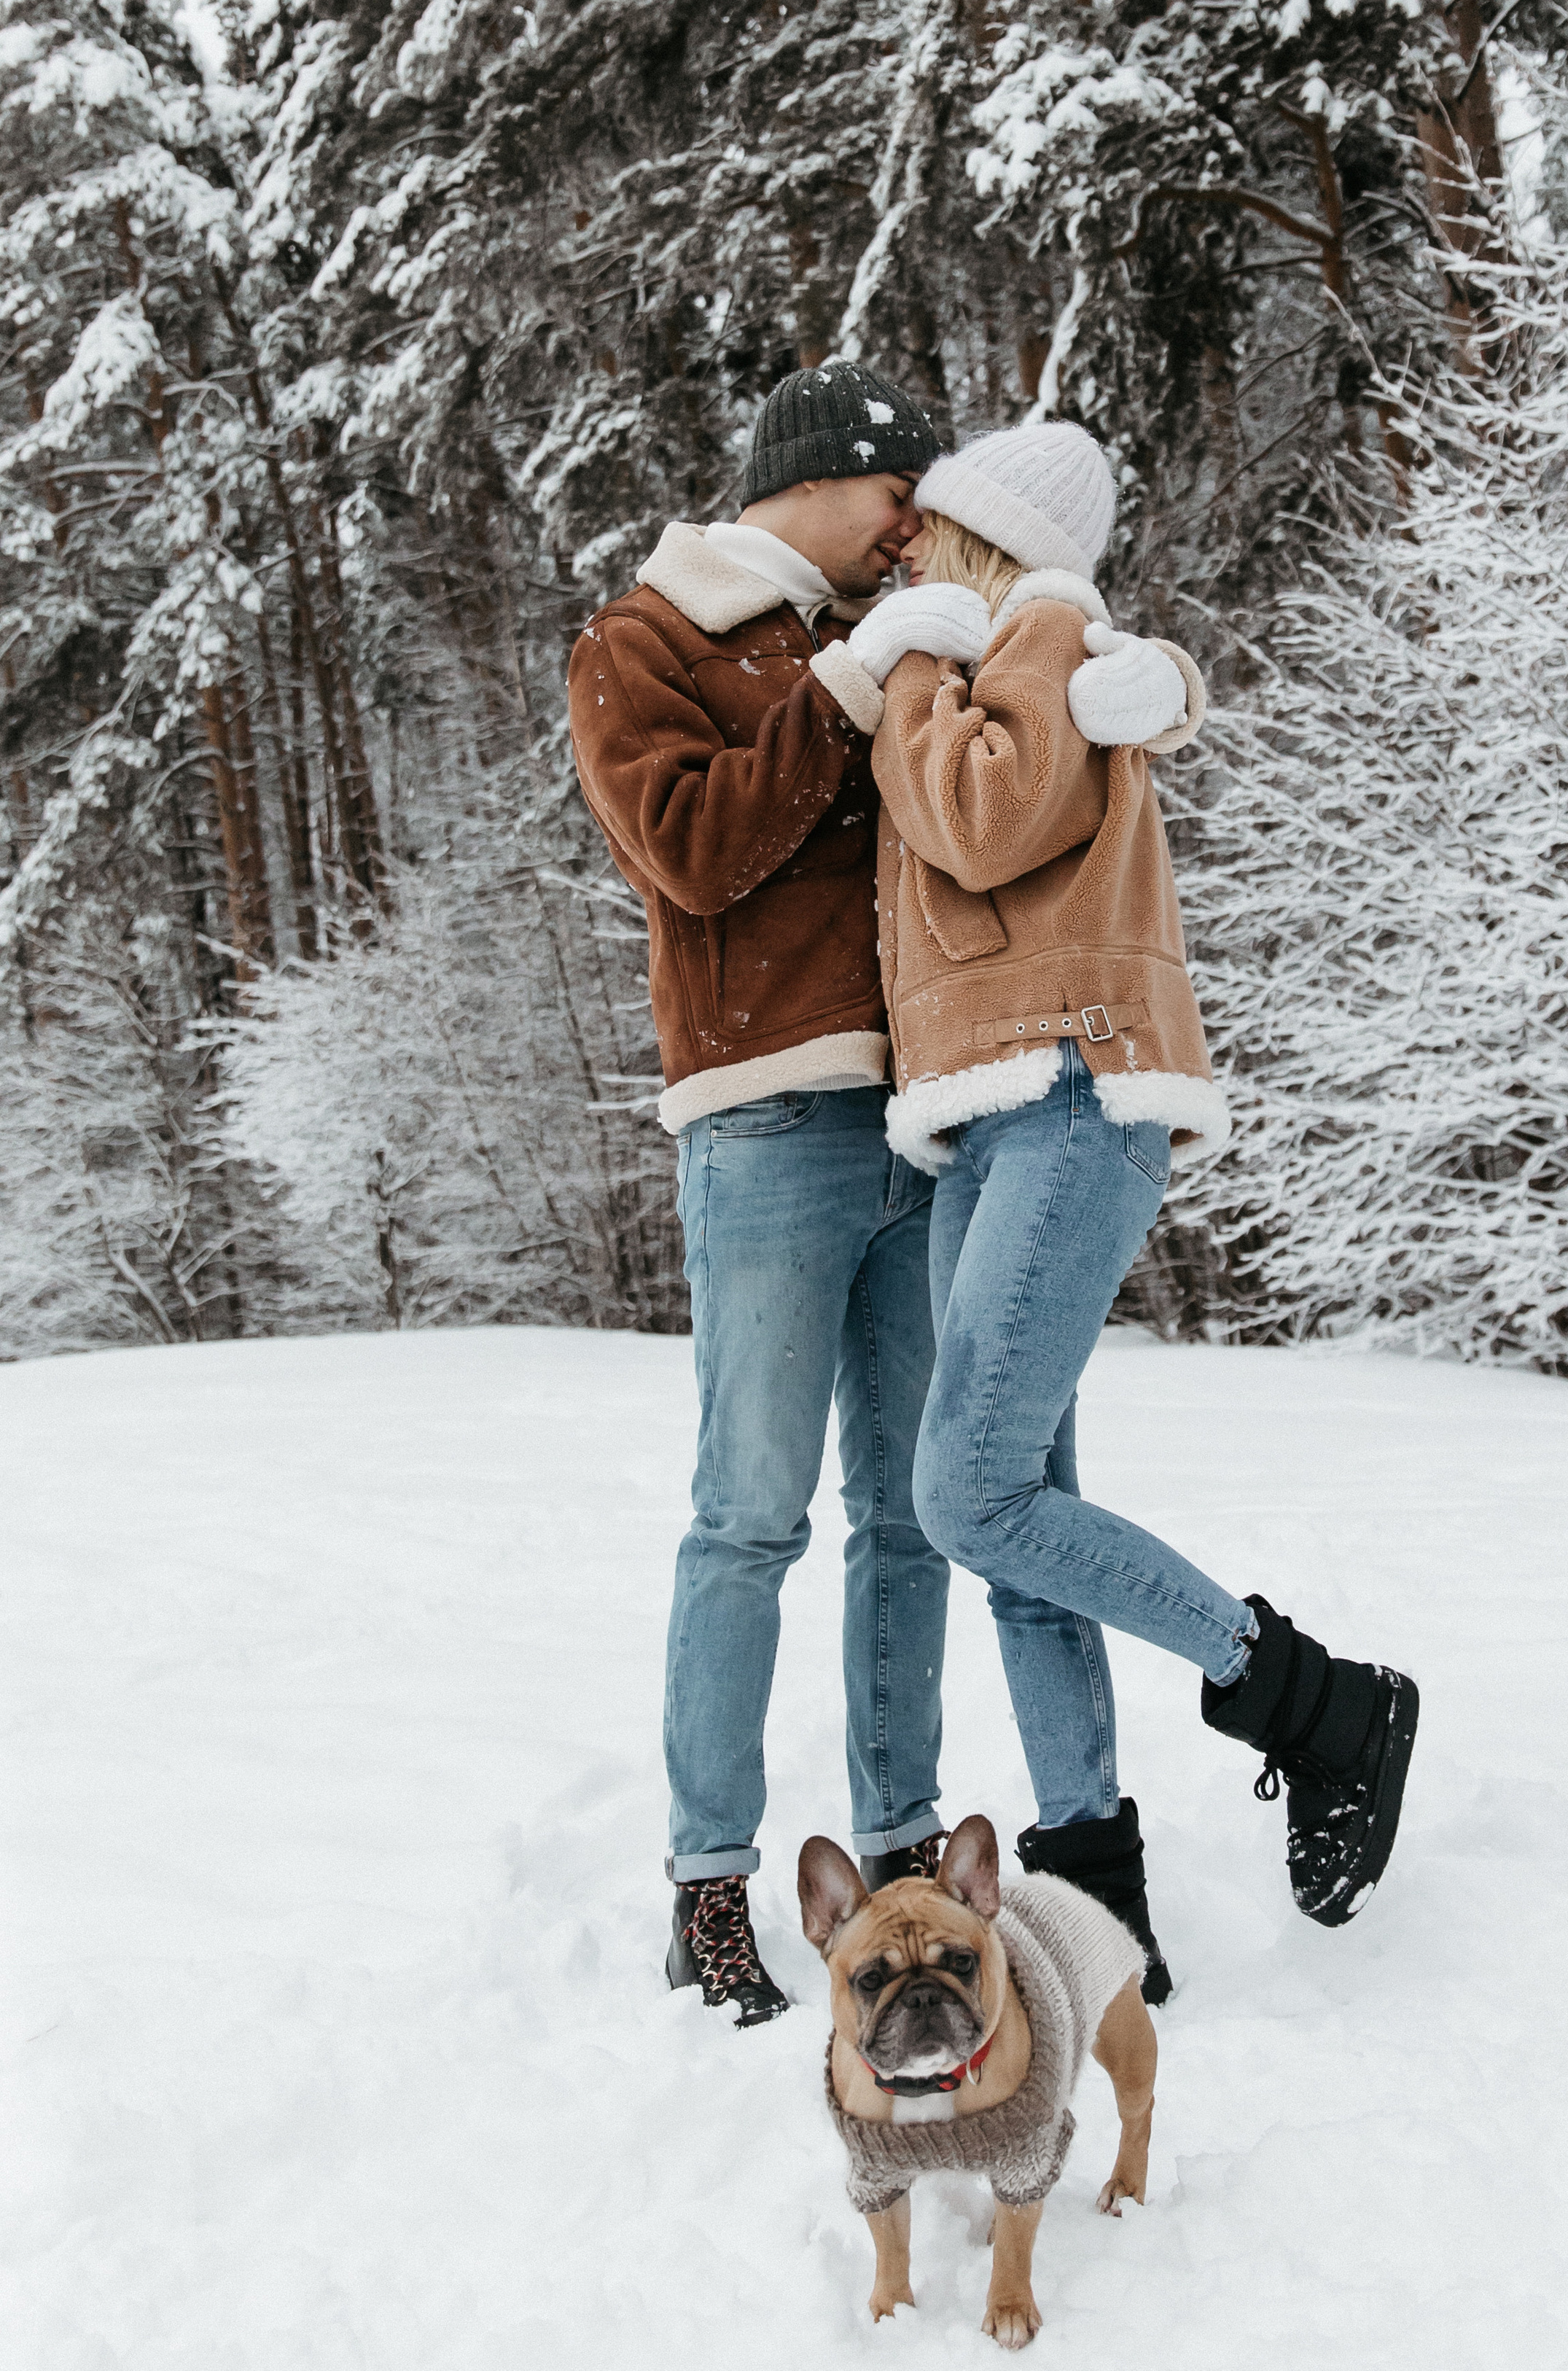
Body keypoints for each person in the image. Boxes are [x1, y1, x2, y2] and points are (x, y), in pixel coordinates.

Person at [566, 365, 1196, 2028]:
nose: (913, 525)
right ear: (831, 479)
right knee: (747, 1517)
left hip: (926, 1127)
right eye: (897, 491)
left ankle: (902, 1839)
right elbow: (690, 848)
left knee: (913, 1514)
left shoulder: (908, 619)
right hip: (766, 1127)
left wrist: (1135, 672)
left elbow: (1038, 742)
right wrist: (852, 675)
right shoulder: (645, 641)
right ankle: (712, 1878)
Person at [813, 420, 1421, 1931]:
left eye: (921, 532)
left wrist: (899, 665)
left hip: (1070, 1093)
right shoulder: (1007, 652)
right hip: (997, 1106)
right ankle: (1093, 1889)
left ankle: (1310, 1701)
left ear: (976, 537)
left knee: (961, 1493)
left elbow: (975, 817)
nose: (898, 559)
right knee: (1017, 1514)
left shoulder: (1038, 625)